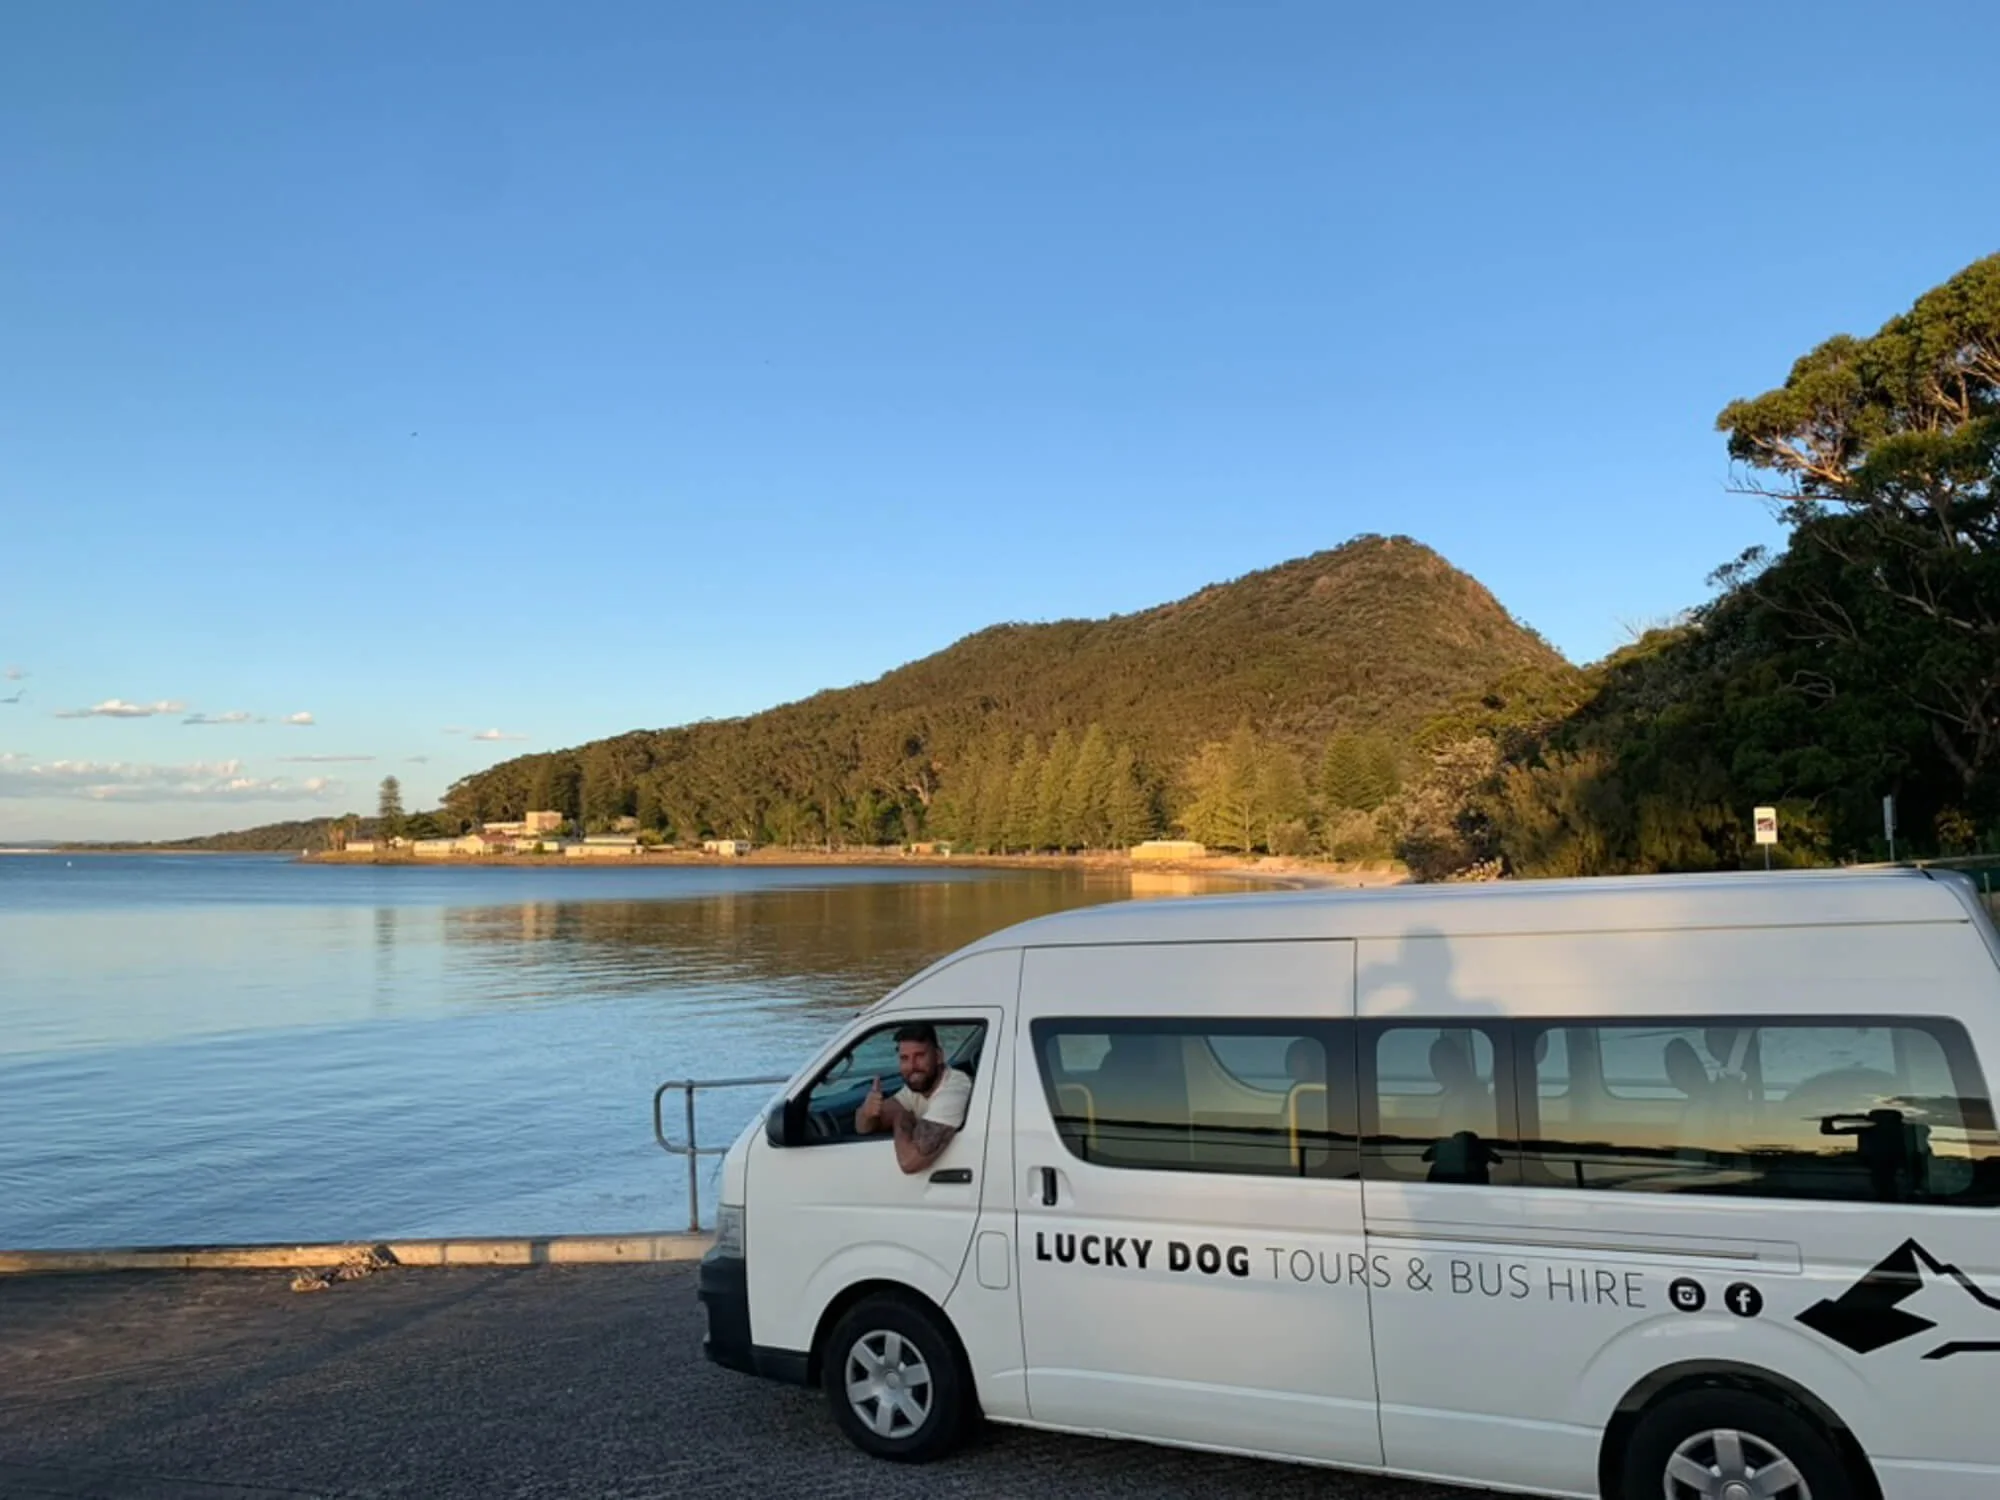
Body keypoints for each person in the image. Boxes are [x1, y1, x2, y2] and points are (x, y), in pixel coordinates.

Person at [855, 1023, 972, 1174]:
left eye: (920, 1056)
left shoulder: (954, 1091)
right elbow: (862, 1127)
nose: (912, 1066)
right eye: (904, 1058)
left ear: (938, 1056)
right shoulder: (916, 1088)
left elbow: (909, 1162)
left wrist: (900, 1119)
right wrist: (867, 1113)